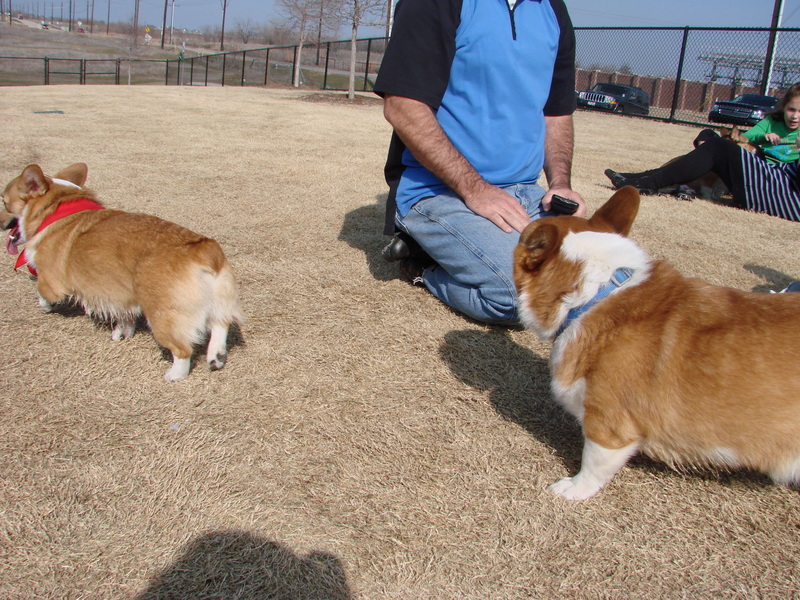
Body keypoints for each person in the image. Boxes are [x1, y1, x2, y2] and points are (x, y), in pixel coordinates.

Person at [373, 0, 586, 325]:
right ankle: (421, 266)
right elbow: (402, 105)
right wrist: (477, 189)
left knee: (596, 280)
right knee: (523, 297)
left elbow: (556, 111)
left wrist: (560, 183)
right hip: (440, 191)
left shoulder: (552, 8)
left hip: (526, 192)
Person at [604, 86, 800, 223]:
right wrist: (764, 137)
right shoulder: (773, 122)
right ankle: (642, 178)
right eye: (791, 109)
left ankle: (648, 183)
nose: (795, 116)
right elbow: (747, 137)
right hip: (773, 177)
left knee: (718, 147)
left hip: (778, 190)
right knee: (711, 140)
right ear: (784, 108)